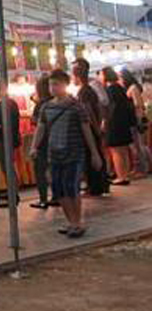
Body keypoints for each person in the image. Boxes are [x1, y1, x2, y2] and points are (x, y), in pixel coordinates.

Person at [30, 70, 103, 238]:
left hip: (74, 153)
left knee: (71, 187)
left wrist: (94, 153)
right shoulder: (46, 107)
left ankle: (77, 222)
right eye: (50, 84)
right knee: (57, 189)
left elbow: (86, 130)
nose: (52, 88)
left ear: (65, 85)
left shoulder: (76, 106)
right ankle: (71, 221)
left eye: (56, 84)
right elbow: (40, 128)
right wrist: (34, 147)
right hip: (53, 154)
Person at [73, 59, 109, 196]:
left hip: (90, 129)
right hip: (94, 128)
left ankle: (95, 187)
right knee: (96, 155)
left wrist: (96, 128)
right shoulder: (89, 89)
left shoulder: (84, 91)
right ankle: (101, 185)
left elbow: (89, 113)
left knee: (91, 157)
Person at [101, 67, 135, 185]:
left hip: (115, 123)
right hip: (124, 122)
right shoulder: (120, 87)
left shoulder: (110, 89)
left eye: (101, 74)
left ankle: (121, 176)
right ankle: (125, 175)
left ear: (105, 76)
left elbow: (110, 108)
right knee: (124, 150)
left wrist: (105, 121)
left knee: (116, 150)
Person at [0, 79, 22, 198]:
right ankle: (14, 191)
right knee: (11, 165)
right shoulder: (12, 103)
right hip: (14, 138)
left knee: (7, 167)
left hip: (3, 140)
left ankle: (13, 193)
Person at [30, 75, 54, 209]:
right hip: (55, 140)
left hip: (42, 142)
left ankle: (43, 199)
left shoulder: (41, 104)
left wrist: (34, 146)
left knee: (40, 170)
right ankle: (57, 196)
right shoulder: (55, 101)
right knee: (53, 170)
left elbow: (35, 122)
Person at [121, 69, 150, 176]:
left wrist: (139, 119)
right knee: (137, 145)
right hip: (133, 119)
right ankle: (140, 168)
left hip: (135, 119)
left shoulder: (133, 88)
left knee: (138, 145)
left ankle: (143, 169)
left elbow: (137, 104)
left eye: (121, 77)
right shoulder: (131, 87)